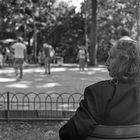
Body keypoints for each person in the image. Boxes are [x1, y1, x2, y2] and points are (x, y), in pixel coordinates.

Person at [59, 37, 140, 140]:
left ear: (124, 61)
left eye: (111, 57)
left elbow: (69, 133)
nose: (106, 63)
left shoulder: (97, 93)